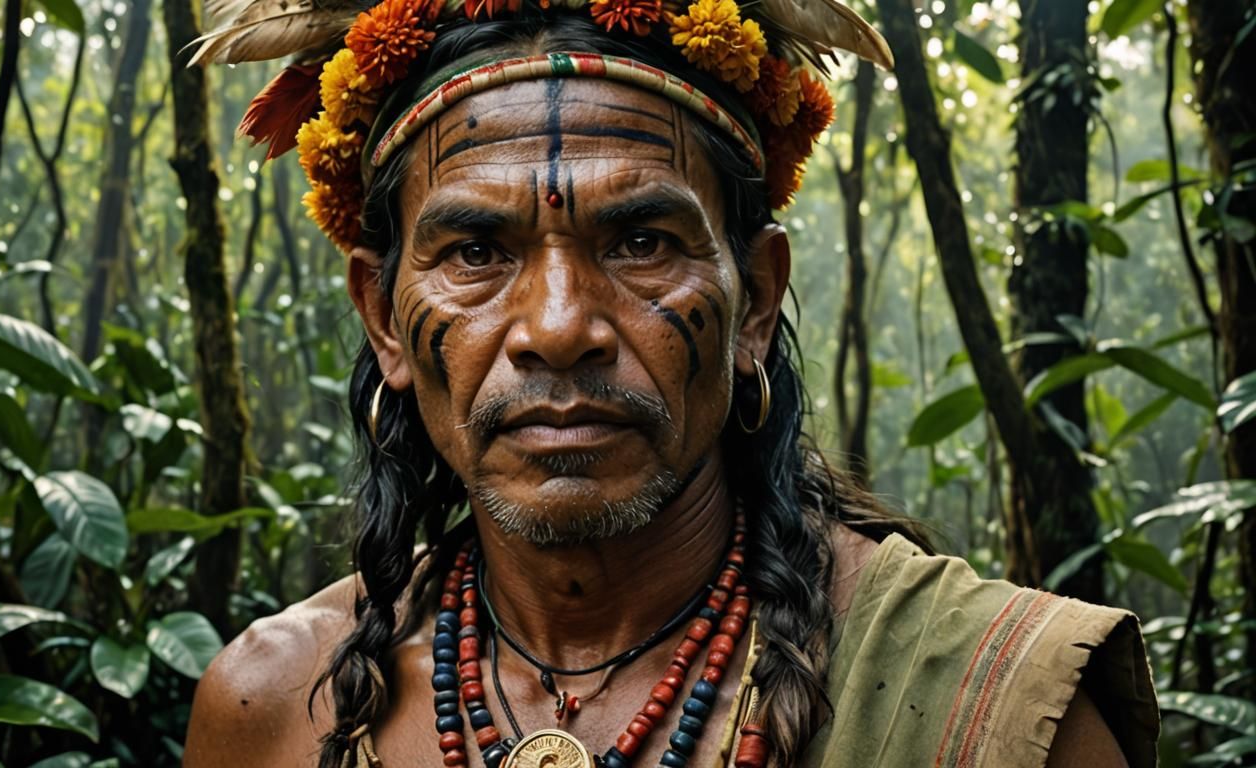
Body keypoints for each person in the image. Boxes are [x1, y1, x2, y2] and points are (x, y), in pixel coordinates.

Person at [182, 1, 1159, 766]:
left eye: (643, 242)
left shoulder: (997, 711)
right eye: (477, 251)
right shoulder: (269, 709)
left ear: (756, 301)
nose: (559, 329)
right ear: (384, 319)